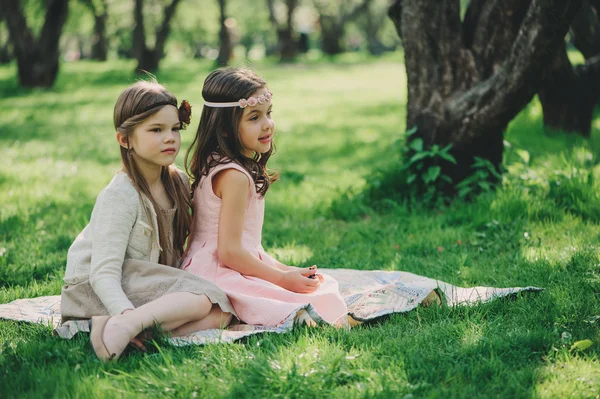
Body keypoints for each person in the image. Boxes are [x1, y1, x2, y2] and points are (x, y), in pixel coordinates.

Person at [60, 81, 236, 362]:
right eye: (156, 130)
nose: (170, 138)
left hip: (144, 282)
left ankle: (131, 333)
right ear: (125, 139)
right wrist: (125, 312)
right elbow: (103, 273)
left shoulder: (176, 181)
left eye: (175, 129)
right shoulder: (120, 195)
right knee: (203, 298)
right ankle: (126, 323)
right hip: (101, 288)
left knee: (223, 310)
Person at [182, 67, 350, 328]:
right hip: (217, 273)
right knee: (313, 301)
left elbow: (248, 250)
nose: (267, 124)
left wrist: (285, 270)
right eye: (253, 117)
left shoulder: (215, 162)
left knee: (318, 284)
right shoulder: (234, 177)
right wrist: (281, 280)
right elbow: (229, 252)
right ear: (225, 129)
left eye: (268, 113)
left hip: (208, 266)